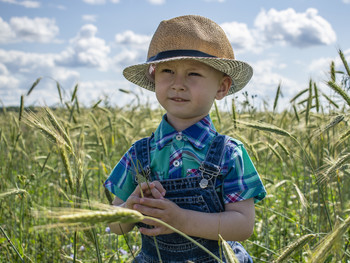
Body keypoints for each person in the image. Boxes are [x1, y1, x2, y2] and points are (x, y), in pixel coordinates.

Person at [104, 15, 266, 263]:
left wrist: (181, 220)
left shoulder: (229, 153)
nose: (178, 84)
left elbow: (243, 225)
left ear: (221, 87)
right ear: (153, 78)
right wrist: (132, 208)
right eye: (167, 71)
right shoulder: (138, 154)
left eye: (193, 74)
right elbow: (115, 224)